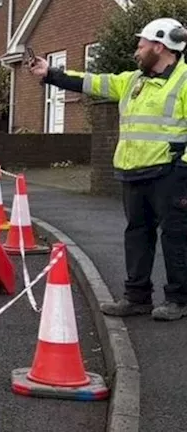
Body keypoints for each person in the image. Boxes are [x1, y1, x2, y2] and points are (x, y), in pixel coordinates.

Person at [29, 17, 187, 321]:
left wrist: (182, 169)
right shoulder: (133, 81)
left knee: (176, 237)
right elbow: (92, 82)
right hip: (134, 172)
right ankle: (136, 297)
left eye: (141, 46)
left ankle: (178, 300)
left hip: (171, 174)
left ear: (160, 47)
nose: (136, 51)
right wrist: (50, 73)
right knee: (137, 236)